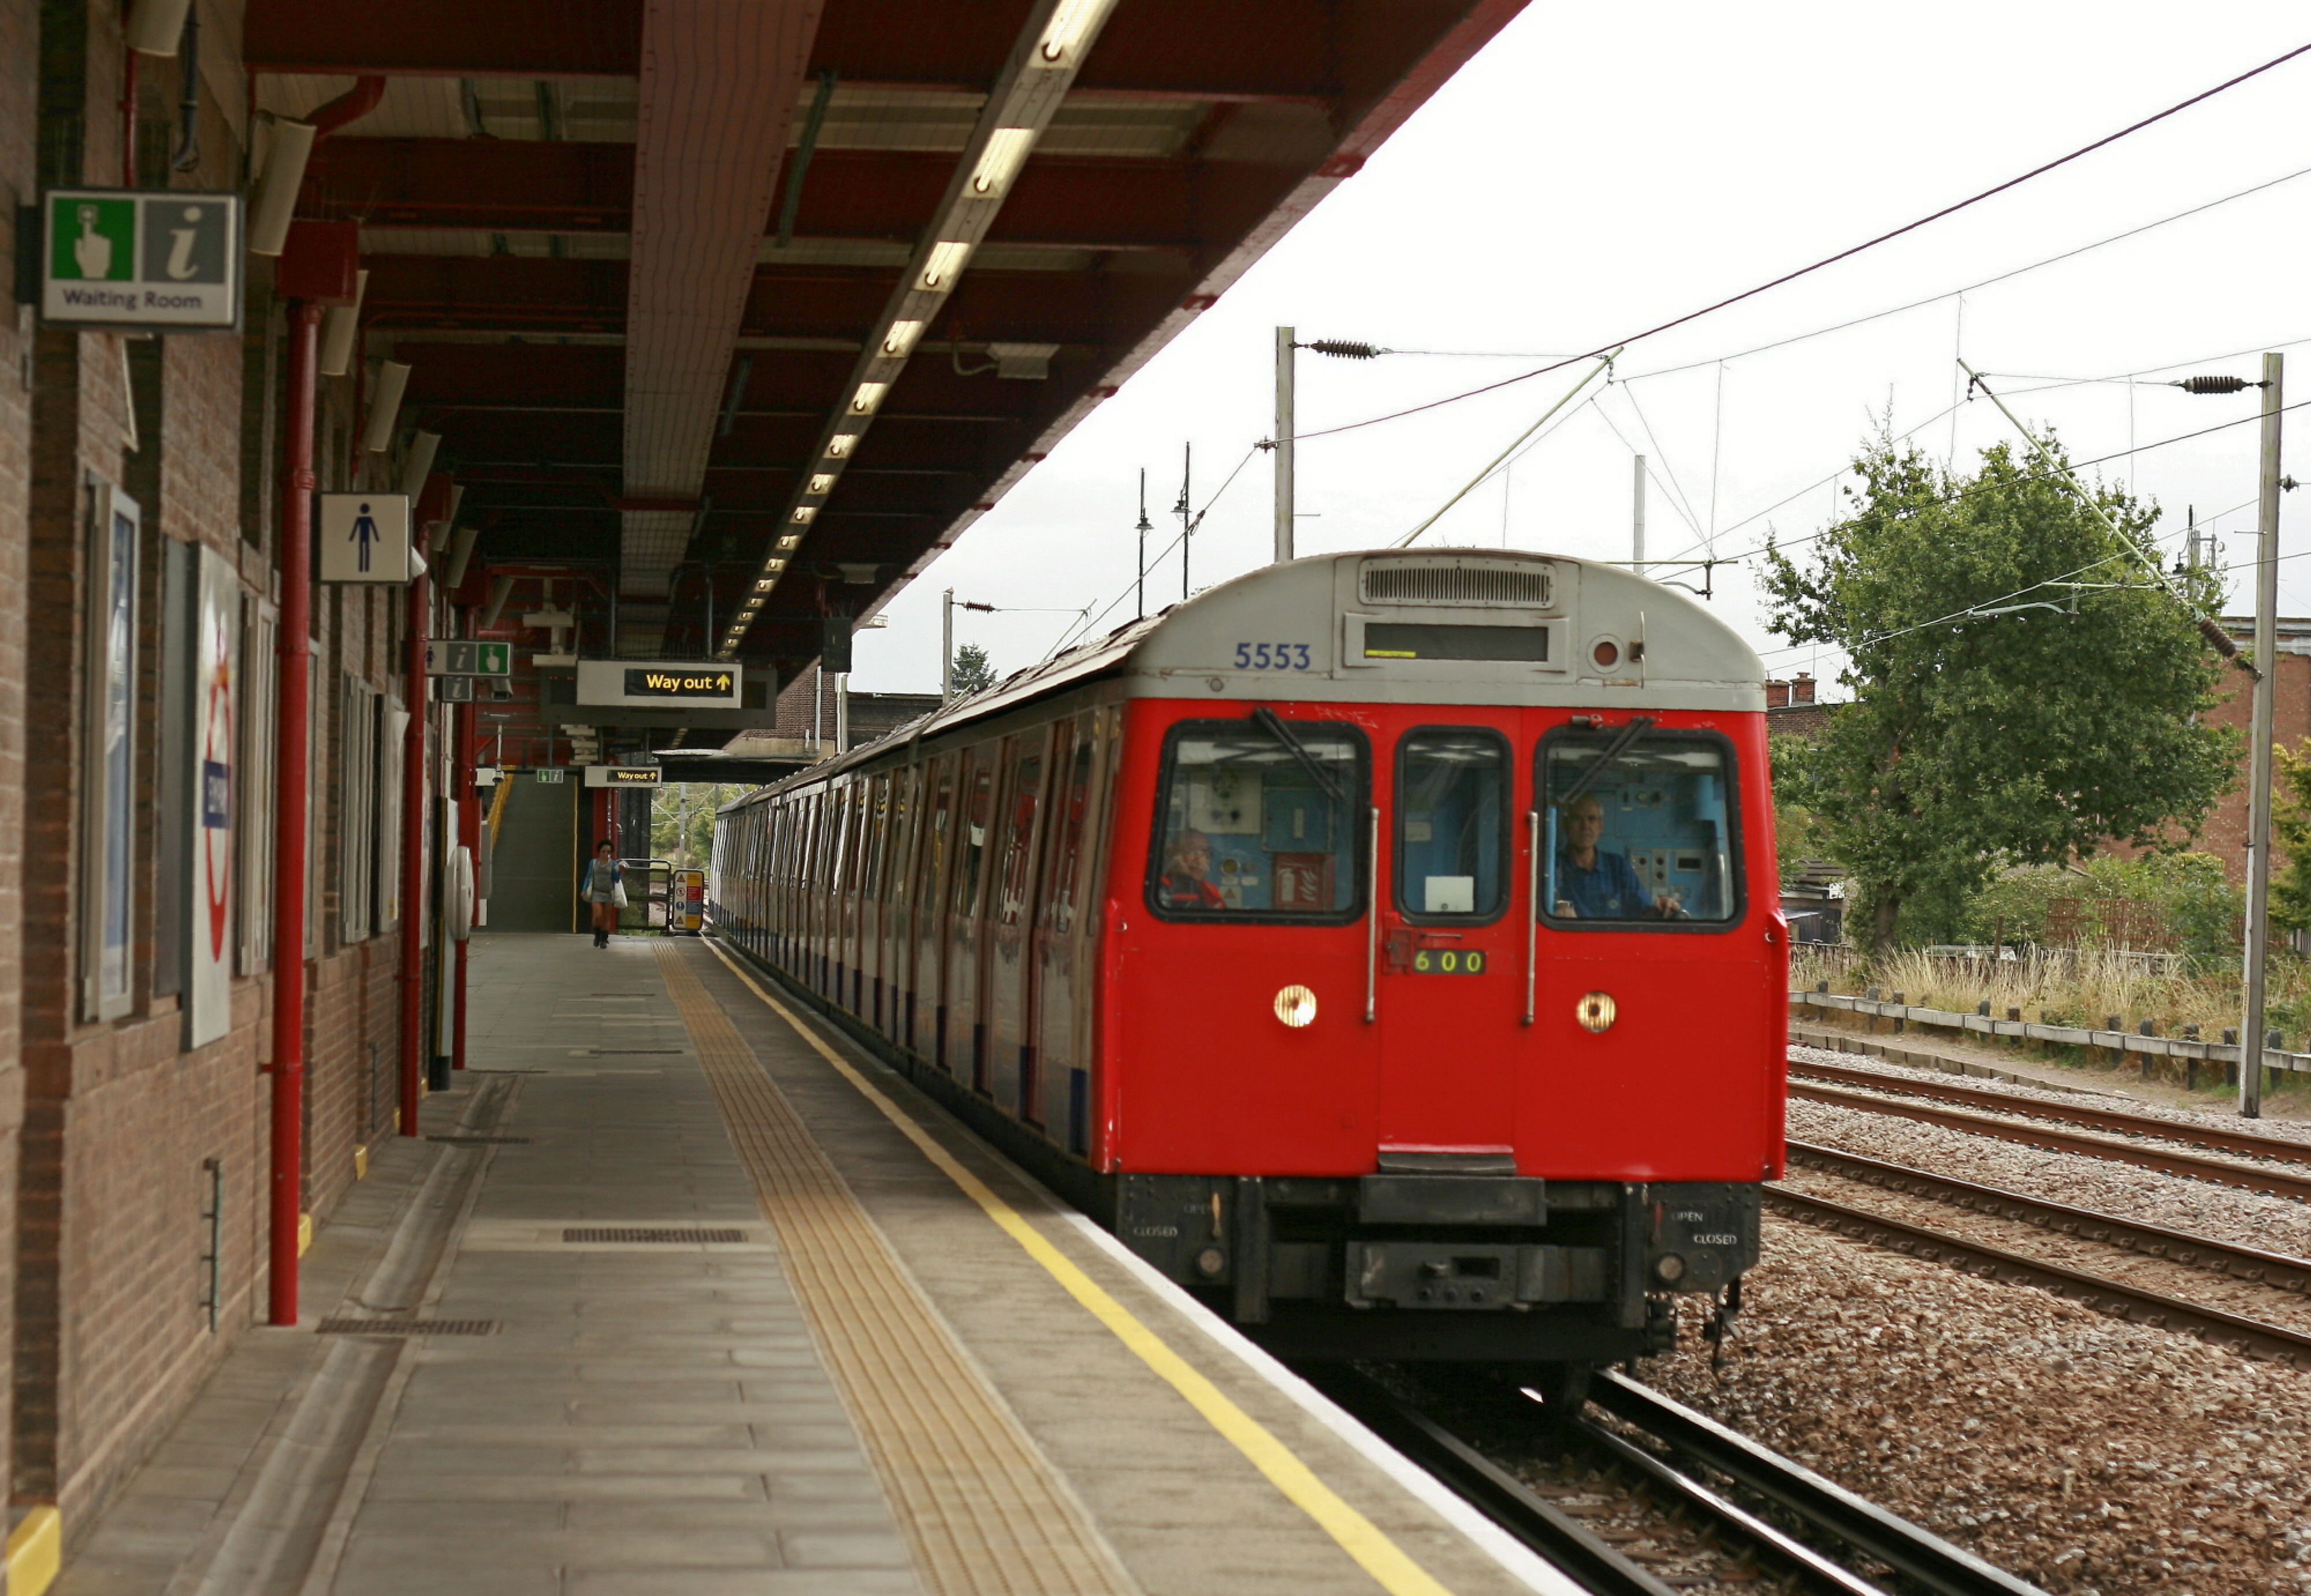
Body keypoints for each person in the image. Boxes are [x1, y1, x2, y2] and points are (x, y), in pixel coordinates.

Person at [1552, 794, 1681, 918]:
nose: (1585, 826)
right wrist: (1558, 906)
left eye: (1592, 819)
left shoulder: (1617, 866)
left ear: (1601, 826)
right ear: (1566, 825)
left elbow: (1644, 913)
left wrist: (1661, 908)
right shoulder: (1554, 866)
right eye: (1577, 819)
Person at [1156, 828, 1226, 911]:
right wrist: (1184, 879)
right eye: (1191, 851)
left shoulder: (1211, 891)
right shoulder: (1161, 886)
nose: (1199, 860)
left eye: (1205, 853)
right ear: (1176, 855)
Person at [579, 841, 622, 947]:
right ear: (599, 852)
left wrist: (620, 871)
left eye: (609, 852)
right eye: (604, 851)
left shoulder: (613, 864)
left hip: (608, 893)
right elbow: (589, 877)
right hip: (596, 892)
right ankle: (597, 934)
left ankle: (604, 939)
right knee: (598, 915)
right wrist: (584, 890)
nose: (606, 854)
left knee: (607, 916)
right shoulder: (594, 863)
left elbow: (616, 879)